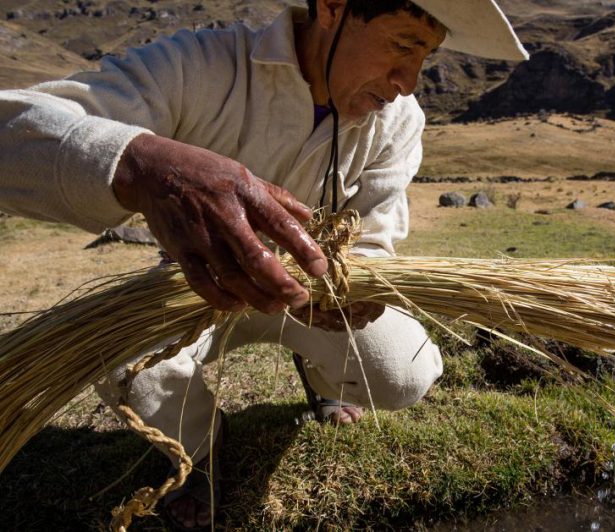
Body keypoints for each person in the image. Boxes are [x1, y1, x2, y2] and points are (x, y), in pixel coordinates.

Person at [0, 0, 527, 528]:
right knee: (128, 369)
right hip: (193, 289)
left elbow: (376, 229)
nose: (408, 81)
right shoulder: (200, 66)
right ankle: (202, 450)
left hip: (313, 300)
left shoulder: (398, 120)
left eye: (426, 56)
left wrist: (356, 284)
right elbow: (13, 130)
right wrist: (143, 164)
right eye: (403, 44)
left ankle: (322, 380)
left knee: (402, 370)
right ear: (333, 8)